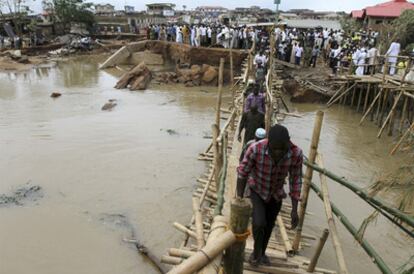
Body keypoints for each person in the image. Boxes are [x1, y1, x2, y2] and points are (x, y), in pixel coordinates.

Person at [237, 124, 303, 267]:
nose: (278, 152)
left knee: (268, 226)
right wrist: (239, 198)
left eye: (282, 148)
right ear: (268, 142)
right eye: (275, 148)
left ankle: (262, 253)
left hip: (275, 193)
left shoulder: (296, 154)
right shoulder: (255, 149)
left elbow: (295, 180)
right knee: (259, 223)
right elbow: (242, 173)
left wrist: (294, 209)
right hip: (257, 189)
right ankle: (256, 253)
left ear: (288, 142)